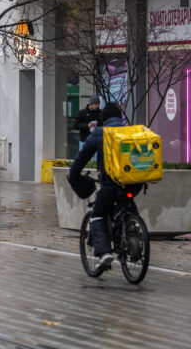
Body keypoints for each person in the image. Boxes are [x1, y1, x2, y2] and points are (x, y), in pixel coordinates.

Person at [69, 100, 127, 272]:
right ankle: (135, 232)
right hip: (133, 184)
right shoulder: (129, 131)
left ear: (104, 118)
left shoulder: (100, 134)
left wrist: (73, 176)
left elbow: (81, 159)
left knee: (98, 216)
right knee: (128, 207)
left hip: (110, 186)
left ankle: (103, 253)